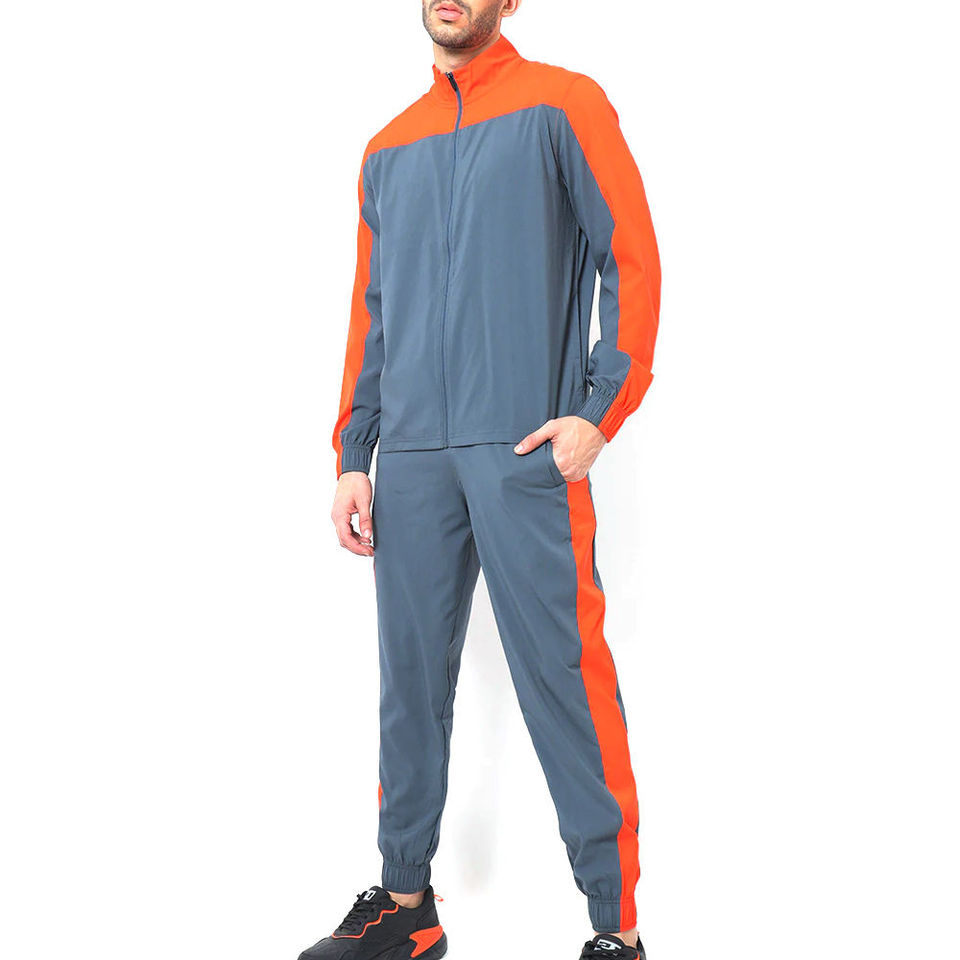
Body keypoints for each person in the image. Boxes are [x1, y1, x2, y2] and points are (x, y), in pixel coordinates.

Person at [305, 2, 660, 958]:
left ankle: (616, 929)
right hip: (413, 457)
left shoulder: (563, 104)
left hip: (523, 448)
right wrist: (354, 454)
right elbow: (371, 312)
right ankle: (406, 906)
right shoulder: (388, 147)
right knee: (409, 681)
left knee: (564, 676)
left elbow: (630, 255)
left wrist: (599, 409)